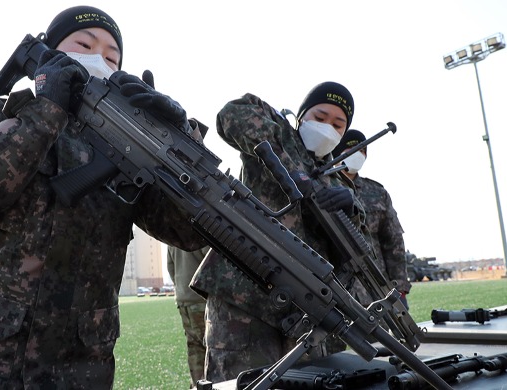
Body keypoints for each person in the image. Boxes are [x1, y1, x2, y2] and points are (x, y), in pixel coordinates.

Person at [0, 6, 206, 389]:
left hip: (75, 370)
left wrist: (177, 142)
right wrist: (45, 113)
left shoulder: (124, 152)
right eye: (84, 45)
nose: (99, 60)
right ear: (51, 50)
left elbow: (188, 230)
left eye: (112, 57)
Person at [191, 82, 362, 382]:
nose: (327, 129)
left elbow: (357, 256)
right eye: (320, 117)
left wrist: (354, 210)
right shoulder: (279, 134)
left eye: (338, 124)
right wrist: (294, 169)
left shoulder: (338, 182)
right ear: (302, 115)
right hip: (244, 300)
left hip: (306, 315)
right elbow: (232, 115)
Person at [331, 130, 411, 308]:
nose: (360, 154)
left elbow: (394, 241)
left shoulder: (377, 192)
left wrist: (399, 288)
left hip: (375, 290)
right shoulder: (323, 185)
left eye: (364, 150)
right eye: (352, 149)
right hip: (334, 288)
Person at [167, 245, 210, 388]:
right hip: (201, 299)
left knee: (194, 347)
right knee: (211, 347)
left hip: (183, 300)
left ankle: (197, 384)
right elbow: (212, 259)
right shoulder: (201, 228)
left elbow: (170, 266)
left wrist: (181, 288)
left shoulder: (172, 233)